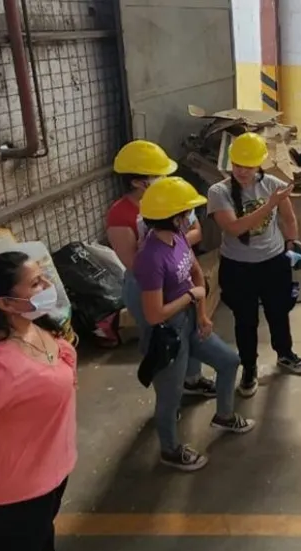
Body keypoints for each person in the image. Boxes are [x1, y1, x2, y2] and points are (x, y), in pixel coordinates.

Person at [0, 251, 108, 551]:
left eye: (44, 278)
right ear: (5, 303)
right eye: (36, 284)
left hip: (51, 468)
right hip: (13, 489)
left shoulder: (34, 326)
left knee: (42, 534)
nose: (47, 288)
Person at [135, 177, 255, 471]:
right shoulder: (150, 258)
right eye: (187, 212)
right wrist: (191, 296)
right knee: (170, 396)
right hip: (168, 332)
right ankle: (170, 449)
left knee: (229, 361)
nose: (192, 217)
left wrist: (202, 314)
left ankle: (224, 415)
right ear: (174, 217)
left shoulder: (177, 239)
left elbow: (196, 273)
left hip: (190, 320)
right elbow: (153, 315)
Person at [107, 140, 217, 399]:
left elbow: (196, 232)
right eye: (157, 175)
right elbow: (135, 263)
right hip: (147, 286)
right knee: (160, 342)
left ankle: (192, 379)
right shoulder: (120, 215)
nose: (164, 178)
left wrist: (169, 245)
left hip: (179, 275)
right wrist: (172, 245)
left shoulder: (169, 196)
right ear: (137, 182)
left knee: (188, 331)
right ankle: (168, 397)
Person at [208, 132, 301, 398]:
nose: (242, 171)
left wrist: (291, 243)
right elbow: (233, 228)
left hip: (274, 263)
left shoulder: (272, 185)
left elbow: (288, 219)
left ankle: (285, 353)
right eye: (237, 165)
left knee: (279, 312)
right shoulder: (218, 193)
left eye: (248, 165)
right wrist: (270, 205)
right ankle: (249, 367)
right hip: (238, 267)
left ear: (259, 164)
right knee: (245, 320)